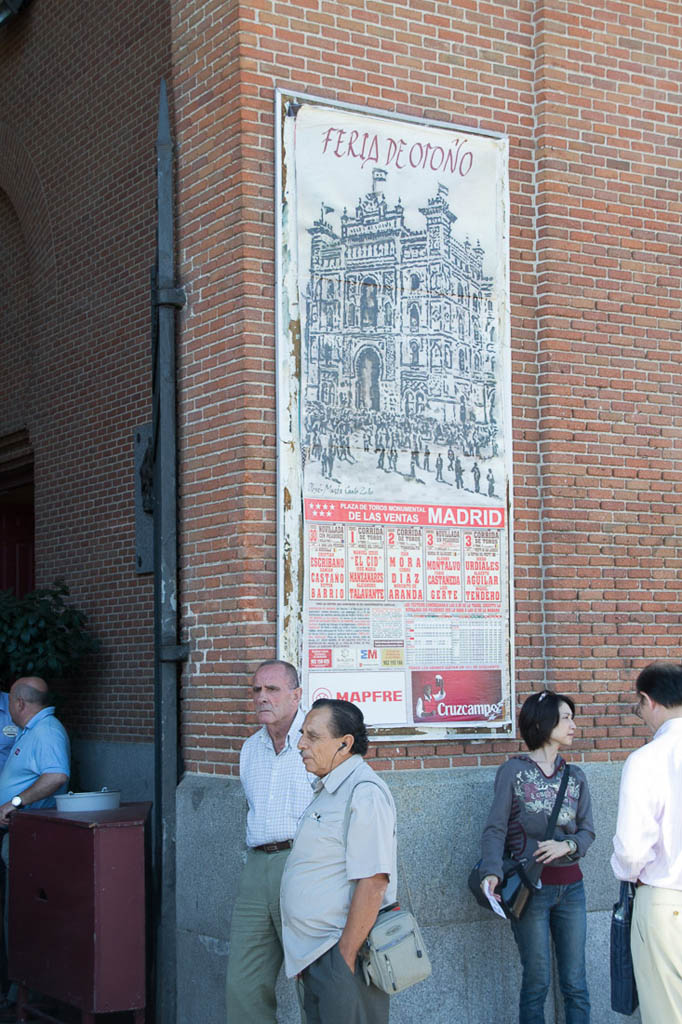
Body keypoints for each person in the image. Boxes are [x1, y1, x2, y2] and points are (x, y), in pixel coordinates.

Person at [478, 690, 594, 1024]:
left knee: (576, 984)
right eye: (566, 717)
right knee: (537, 983)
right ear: (544, 722)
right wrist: (491, 872)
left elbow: (587, 831)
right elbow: (494, 829)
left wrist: (567, 846)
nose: (573, 725)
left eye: (573, 717)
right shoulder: (513, 772)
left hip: (572, 890)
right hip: (531, 892)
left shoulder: (576, 776)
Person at [280, 699, 397, 1024]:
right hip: (318, 957)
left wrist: (344, 958)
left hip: (343, 957)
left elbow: (373, 882)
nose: (301, 744)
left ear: (344, 743)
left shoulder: (364, 792)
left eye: (313, 737)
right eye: (303, 734)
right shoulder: (332, 788)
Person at [225, 660, 312, 1024]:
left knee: (314, 983)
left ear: (296, 695)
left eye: (272, 690)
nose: (262, 697)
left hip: (305, 865)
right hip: (257, 867)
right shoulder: (250, 749)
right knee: (243, 987)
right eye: (257, 690)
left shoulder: (318, 743)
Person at [611, 661, 682, 1023]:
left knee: (667, 1013)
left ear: (647, 700)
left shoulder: (646, 759)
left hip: (665, 901)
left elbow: (631, 850)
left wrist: (626, 871)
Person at [0, 677, 70, 1022]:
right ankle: (18, 989)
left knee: (24, 915)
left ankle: (27, 990)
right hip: (20, 834)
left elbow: (56, 775)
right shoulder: (30, 731)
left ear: (19, 703)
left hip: (32, 836)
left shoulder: (47, 731)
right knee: (15, 913)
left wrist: (15, 801)